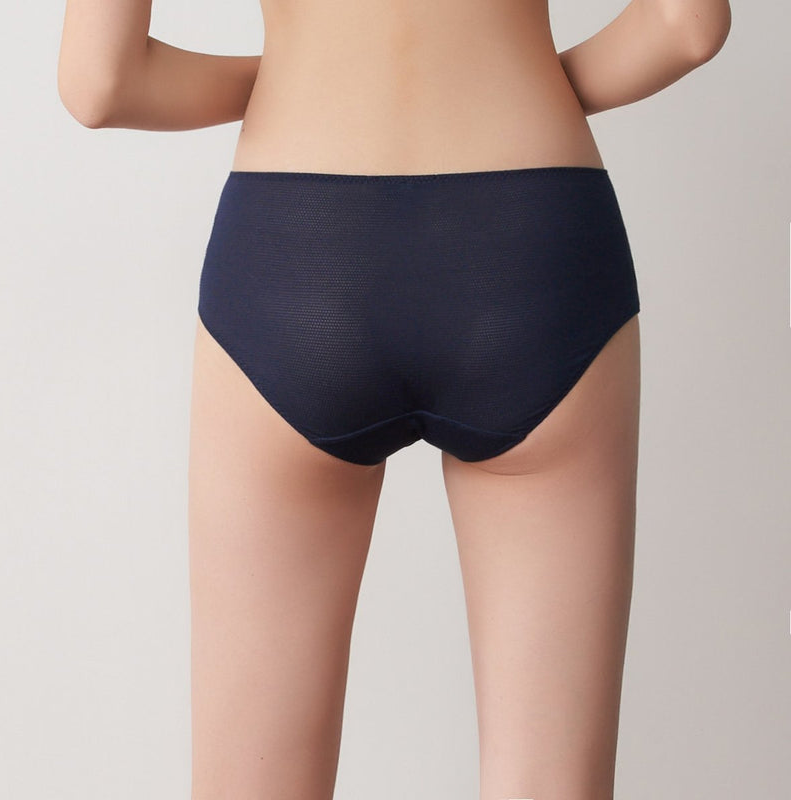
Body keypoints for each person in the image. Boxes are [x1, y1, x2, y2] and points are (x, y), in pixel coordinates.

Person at [58, 1, 731, 798]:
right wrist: (521, 81)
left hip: (297, 248)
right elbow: (687, 25)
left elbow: (101, 84)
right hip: (532, 243)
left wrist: (284, 80)